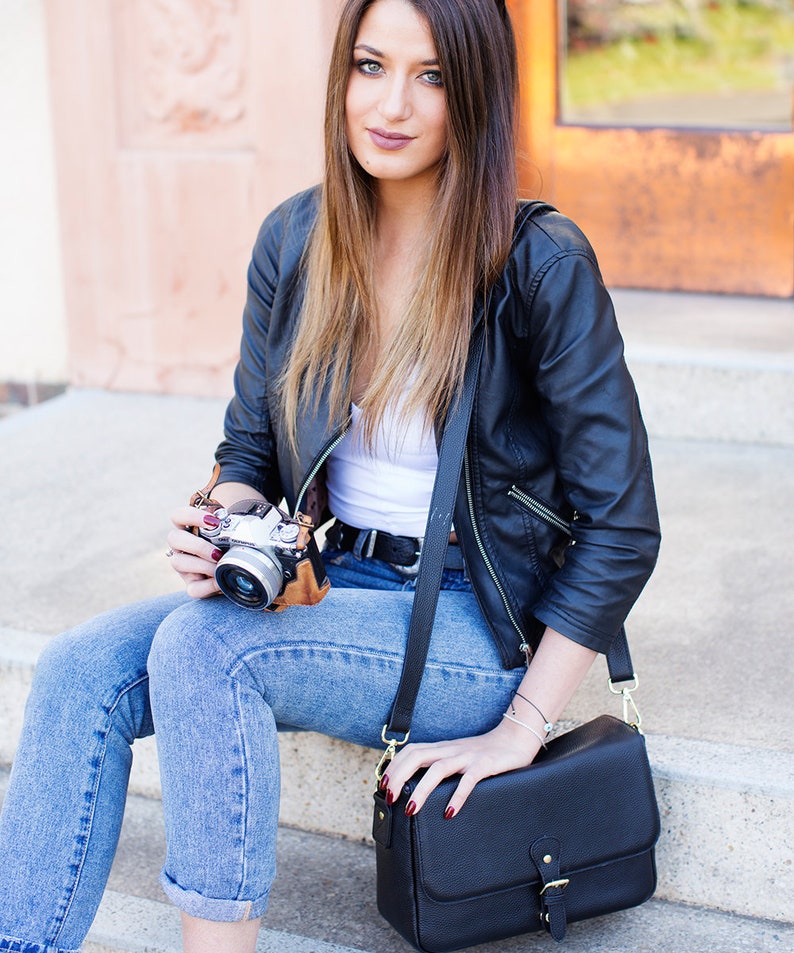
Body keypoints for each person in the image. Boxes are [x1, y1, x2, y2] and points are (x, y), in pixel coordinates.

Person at [0, 1, 661, 951]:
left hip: (479, 622)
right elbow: (249, 453)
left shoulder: (538, 264)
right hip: (329, 587)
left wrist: (521, 725)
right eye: (370, 65)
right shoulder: (298, 241)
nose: (391, 103)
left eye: (430, 76)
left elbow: (623, 524)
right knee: (76, 671)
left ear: (474, 95)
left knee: (203, 650)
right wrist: (219, 522)